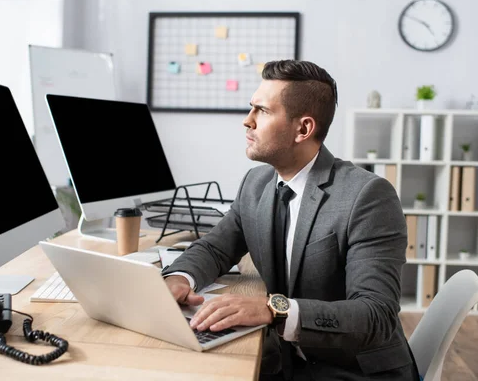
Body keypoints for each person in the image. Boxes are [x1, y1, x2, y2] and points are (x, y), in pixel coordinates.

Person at [161, 59, 420, 380]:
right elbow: (215, 248)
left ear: (304, 128)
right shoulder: (255, 185)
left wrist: (274, 308)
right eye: (250, 108)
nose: (247, 121)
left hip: (353, 371)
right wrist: (179, 279)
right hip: (286, 361)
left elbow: (376, 315)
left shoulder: (367, 195)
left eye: (262, 111)